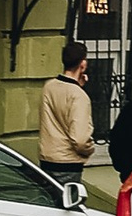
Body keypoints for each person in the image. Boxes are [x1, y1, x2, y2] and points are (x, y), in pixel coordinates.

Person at [38, 46, 97, 194]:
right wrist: (90, 149)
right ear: (82, 64)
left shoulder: (49, 86)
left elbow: (60, 106)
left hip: (47, 160)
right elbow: (80, 140)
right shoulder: (79, 96)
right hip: (68, 164)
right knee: (68, 209)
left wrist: (78, 87)